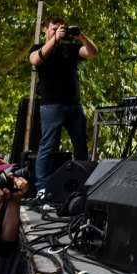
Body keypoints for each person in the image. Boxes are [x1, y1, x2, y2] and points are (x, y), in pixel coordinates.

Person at [28, 16, 98, 197]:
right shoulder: (39, 48)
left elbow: (93, 52)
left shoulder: (70, 49)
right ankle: (42, 188)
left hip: (74, 105)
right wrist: (54, 40)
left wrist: (81, 36)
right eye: (54, 29)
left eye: (62, 29)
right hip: (51, 105)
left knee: (81, 145)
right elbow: (35, 60)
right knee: (48, 146)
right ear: (46, 30)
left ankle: (84, 184)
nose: (58, 32)